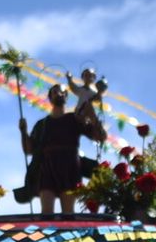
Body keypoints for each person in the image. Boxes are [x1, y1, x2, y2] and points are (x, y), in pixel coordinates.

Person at [19, 81, 98, 216]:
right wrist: (23, 131)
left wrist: (93, 118)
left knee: (68, 213)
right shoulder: (42, 124)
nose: (58, 94)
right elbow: (29, 150)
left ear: (66, 97)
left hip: (70, 168)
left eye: (62, 91)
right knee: (46, 213)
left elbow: (97, 136)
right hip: (47, 168)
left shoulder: (74, 119)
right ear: (50, 98)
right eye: (55, 92)